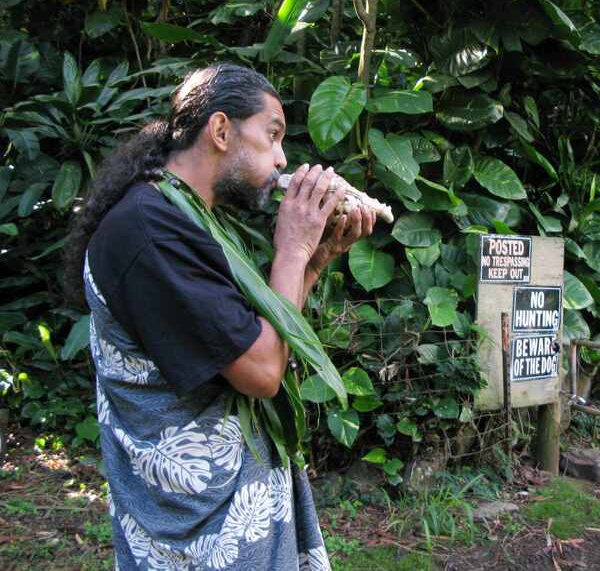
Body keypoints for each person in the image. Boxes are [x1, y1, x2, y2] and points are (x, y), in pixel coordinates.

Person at [63, 63, 375, 570]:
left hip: (233, 509)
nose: (281, 159)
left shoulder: (184, 215)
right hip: (195, 532)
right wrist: (293, 247)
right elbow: (261, 372)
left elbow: (259, 336)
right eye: (272, 135)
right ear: (222, 130)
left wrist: (313, 262)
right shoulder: (150, 231)